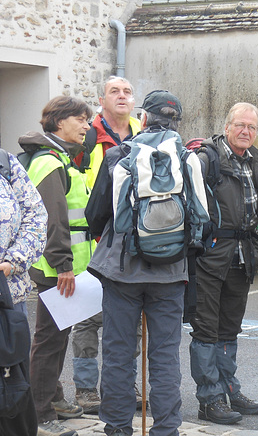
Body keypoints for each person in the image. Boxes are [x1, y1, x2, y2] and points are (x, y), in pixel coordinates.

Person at [85, 90, 206, 436]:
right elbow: (204, 218)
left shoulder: (121, 156)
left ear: (145, 118)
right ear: (176, 122)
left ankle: (118, 429)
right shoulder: (187, 158)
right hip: (169, 274)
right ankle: (167, 429)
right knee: (165, 357)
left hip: (121, 271)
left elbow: (96, 214)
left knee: (119, 354)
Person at [18, 96, 95, 436]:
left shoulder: (61, 158)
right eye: (81, 119)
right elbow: (51, 219)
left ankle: (52, 397)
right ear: (60, 121)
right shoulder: (50, 162)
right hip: (57, 270)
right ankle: (39, 413)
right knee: (49, 341)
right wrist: (63, 264)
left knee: (56, 337)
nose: (87, 126)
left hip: (65, 268)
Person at [189, 102, 258, 425]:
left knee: (230, 328)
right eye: (240, 125)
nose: (246, 131)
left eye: (251, 127)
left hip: (242, 256)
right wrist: (204, 247)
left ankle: (228, 389)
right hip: (211, 256)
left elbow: (257, 212)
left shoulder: (254, 161)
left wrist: (256, 242)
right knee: (206, 329)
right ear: (227, 126)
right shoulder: (207, 159)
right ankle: (209, 399)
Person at [71, 76, 143, 414]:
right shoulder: (86, 137)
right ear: (102, 99)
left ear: (133, 100)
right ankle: (86, 390)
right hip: (94, 240)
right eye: (114, 91)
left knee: (134, 316)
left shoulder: (144, 134)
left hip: (133, 242)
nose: (122, 96)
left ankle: (123, 383)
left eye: (127, 92)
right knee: (87, 316)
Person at [0, 149, 47, 436]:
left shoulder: (6, 164)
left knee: (11, 385)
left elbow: (36, 216)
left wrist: (12, 262)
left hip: (8, 296)